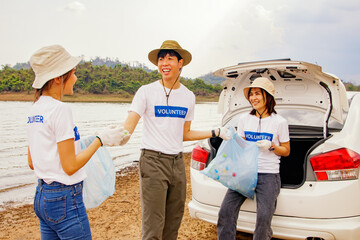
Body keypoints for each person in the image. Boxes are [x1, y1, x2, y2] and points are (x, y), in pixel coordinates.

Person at [123, 40, 230, 240]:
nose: (164, 63)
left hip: (177, 163)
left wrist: (215, 131)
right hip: (152, 161)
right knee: (153, 226)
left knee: (173, 222)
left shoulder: (188, 96)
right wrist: (115, 136)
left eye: (170, 58)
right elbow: (129, 124)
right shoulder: (146, 91)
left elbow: (185, 134)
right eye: (161, 59)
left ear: (180, 63)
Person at [27, 44, 127, 239]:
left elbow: (33, 162)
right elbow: (70, 166)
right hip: (65, 200)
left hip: (42, 197)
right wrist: (100, 140)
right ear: (58, 78)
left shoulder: (34, 110)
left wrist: (87, 140)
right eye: (73, 73)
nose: (76, 77)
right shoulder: (61, 110)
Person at [217, 77, 291, 240]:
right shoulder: (244, 119)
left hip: (268, 174)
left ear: (268, 96)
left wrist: (272, 146)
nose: (253, 98)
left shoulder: (280, 122)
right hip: (245, 172)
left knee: (264, 218)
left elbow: (286, 151)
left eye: (257, 93)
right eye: (251, 94)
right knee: (225, 211)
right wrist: (233, 139)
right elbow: (241, 146)